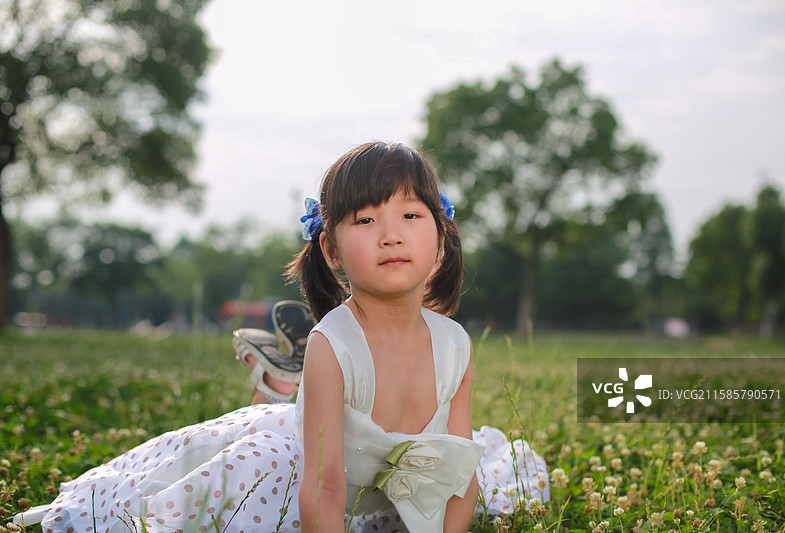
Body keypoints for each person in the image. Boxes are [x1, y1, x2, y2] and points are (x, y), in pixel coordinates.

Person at [23, 141, 548, 533]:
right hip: (313, 472)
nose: (391, 233)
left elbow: (455, 467)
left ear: (439, 239)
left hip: (393, 492)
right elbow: (323, 486)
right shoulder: (334, 344)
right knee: (226, 490)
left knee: (495, 483)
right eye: (366, 219)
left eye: (411, 215)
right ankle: (280, 386)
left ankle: (280, 382)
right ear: (331, 249)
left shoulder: (454, 343)